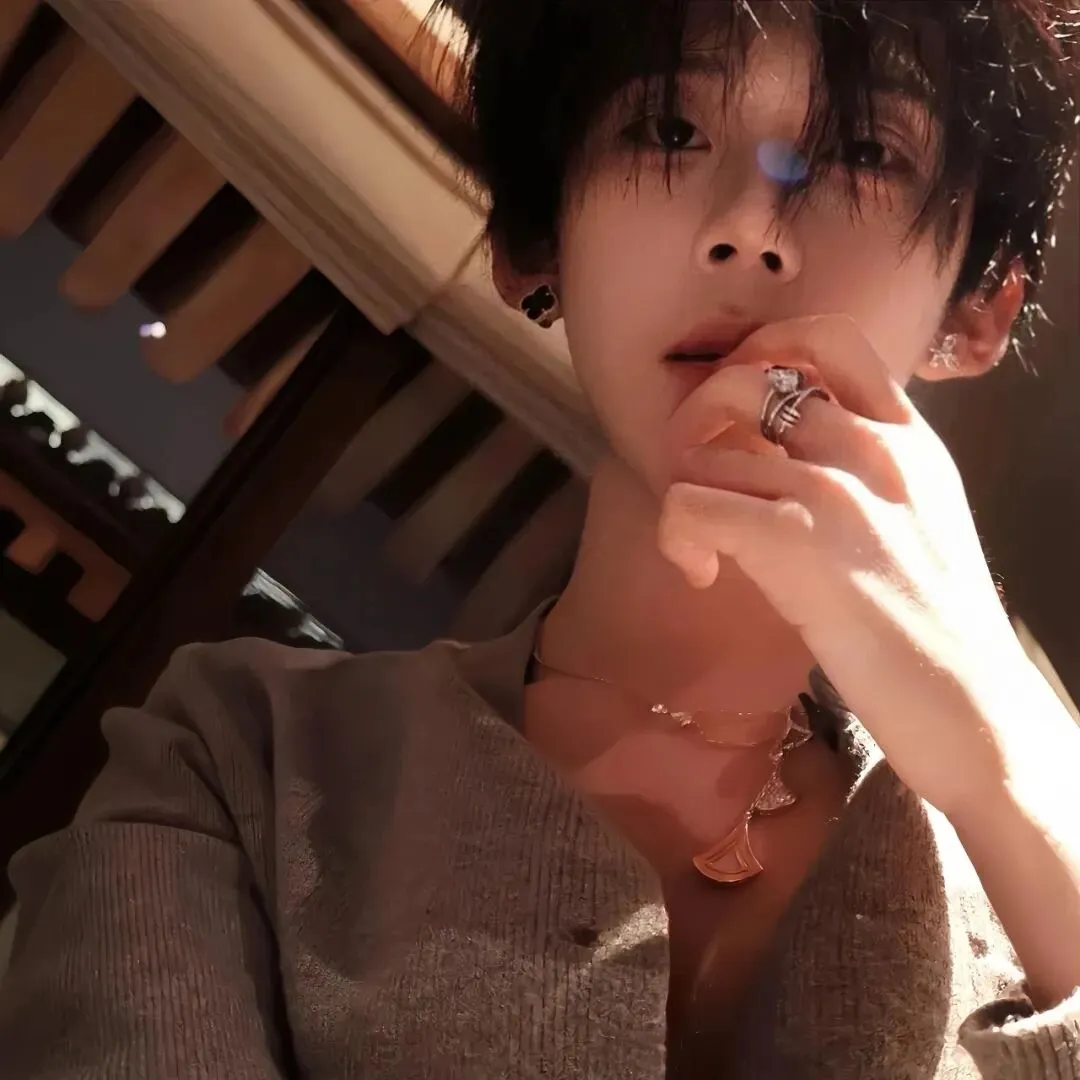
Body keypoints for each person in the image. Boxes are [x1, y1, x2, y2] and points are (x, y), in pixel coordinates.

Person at [2, 1, 1080, 1076]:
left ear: (975, 310)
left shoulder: (1036, 882)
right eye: (667, 129)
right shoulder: (244, 761)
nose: (753, 223)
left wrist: (1014, 762)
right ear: (533, 244)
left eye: (866, 151)